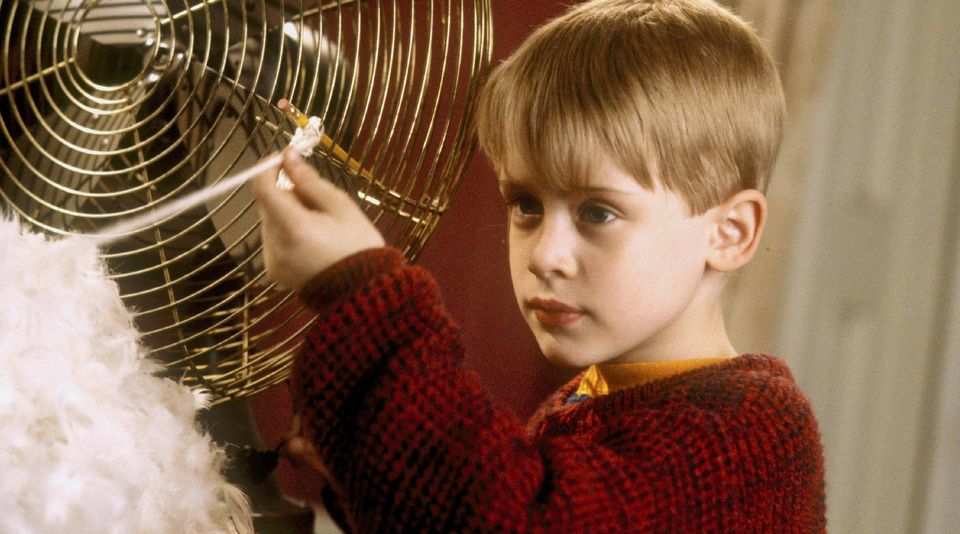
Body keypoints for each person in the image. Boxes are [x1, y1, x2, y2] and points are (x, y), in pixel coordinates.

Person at [253, 0, 826, 531]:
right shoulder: (590, 398)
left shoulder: (751, 435)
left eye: (598, 213)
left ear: (730, 233)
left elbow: (512, 520)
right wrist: (371, 474)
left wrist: (360, 291)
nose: (545, 256)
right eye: (526, 204)